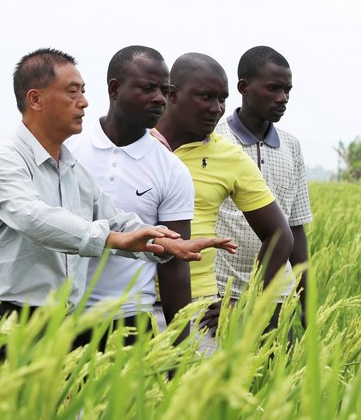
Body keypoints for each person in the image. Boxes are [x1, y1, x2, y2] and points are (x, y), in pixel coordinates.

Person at [0, 48, 228, 365]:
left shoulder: (71, 169)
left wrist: (168, 244)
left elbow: (116, 220)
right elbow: (31, 216)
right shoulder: (4, 158)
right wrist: (112, 239)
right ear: (36, 99)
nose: (84, 102)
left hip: (54, 321)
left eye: (84, 92)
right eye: (72, 93)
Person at [66, 46, 236, 349]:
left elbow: (173, 265)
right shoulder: (69, 151)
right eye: (148, 88)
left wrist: (179, 351)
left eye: (164, 89)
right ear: (115, 89)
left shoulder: (171, 169)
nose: (160, 98)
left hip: (130, 321)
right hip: (60, 317)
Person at [153, 52, 293, 342]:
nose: (217, 109)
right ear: (172, 94)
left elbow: (281, 234)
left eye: (222, 99)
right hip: (129, 304)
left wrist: (249, 301)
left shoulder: (229, 156)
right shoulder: (139, 145)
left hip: (199, 308)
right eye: (206, 97)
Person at [214, 46, 312, 328]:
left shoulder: (291, 147)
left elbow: (295, 227)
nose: (283, 99)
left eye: (287, 90)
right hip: (223, 295)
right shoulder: (214, 139)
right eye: (273, 88)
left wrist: (306, 300)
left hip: (276, 297)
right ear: (244, 87)